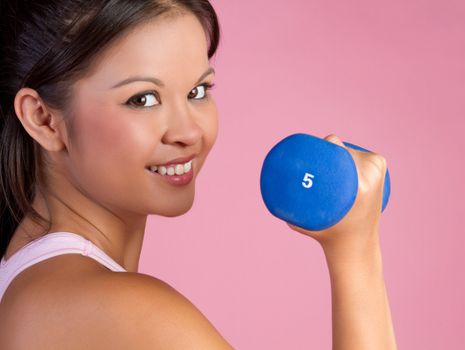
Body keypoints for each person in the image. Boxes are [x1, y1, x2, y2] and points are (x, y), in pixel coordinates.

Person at [0, 0, 397, 348]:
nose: (190, 133)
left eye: (198, 92)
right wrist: (355, 253)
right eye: (143, 99)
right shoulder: (116, 307)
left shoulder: (35, 279)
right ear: (43, 119)